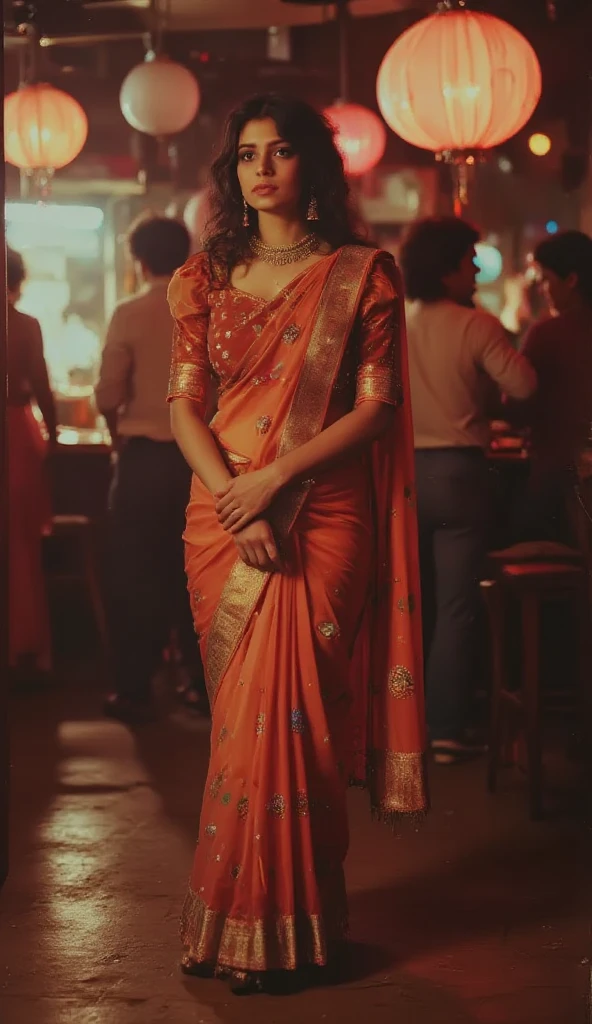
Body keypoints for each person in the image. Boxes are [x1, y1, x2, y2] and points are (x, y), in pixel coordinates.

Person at [167, 93, 427, 994]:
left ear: (314, 167)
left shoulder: (363, 275)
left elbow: (377, 405)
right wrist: (234, 501)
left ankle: (297, 925)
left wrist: (276, 483)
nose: (263, 168)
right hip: (223, 512)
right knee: (242, 729)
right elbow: (182, 405)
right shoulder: (202, 277)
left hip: (319, 509)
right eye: (247, 156)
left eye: (280, 152)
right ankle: (236, 920)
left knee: (303, 718)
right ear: (233, 173)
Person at [400, 217, 537, 765]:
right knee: (457, 608)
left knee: (405, 605)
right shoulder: (474, 325)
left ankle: (395, 730)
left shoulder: (393, 322)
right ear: (449, 267)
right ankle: (446, 729)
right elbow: (525, 385)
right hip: (459, 474)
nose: (477, 268)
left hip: (400, 477)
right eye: (470, 260)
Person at [95, 215, 207, 723]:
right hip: (201, 461)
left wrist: (116, 432)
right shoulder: (208, 309)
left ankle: (134, 689)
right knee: (199, 575)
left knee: (136, 576)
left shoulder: (129, 313)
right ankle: (202, 688)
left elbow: (109, 392)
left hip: (142, 461)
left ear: (138, 260)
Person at [506, 230, 592, 542]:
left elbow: (516, 406)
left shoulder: (548, 334)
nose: (543, 290)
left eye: (547, 280)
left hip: (556, 473)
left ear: (571, 280)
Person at [6, 247, 57, 680]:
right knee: (21, 544)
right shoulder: (23, 325)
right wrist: (54, 436)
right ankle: (24, 648)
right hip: (15, 433)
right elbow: (41, 385)